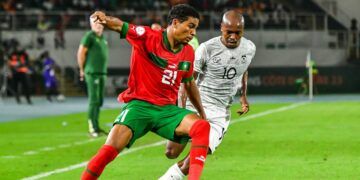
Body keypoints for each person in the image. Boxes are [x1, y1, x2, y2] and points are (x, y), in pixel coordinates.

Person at [81, 4, 210, 180]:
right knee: (108, 151)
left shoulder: (188, 52)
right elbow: (120, 25)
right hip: (140, 106)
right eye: (190, 26)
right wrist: (105, 19)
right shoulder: (148, 36)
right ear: (175, 23)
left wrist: (201, 113)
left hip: (167, 110)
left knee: (202, 127)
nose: (193, 32)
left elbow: (189, 84)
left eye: (195, 28)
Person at [159, 10, 256, 180]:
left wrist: (243, 96)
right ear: (221, 28)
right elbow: (186, 82)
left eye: (238, 33)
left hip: (220, 112)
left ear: (243, 31)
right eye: (229, 32)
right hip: (196, 105)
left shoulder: (249, 48)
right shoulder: (206, 49)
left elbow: (244, 70)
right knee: (171, 152)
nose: (233, 37)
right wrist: (180, 112)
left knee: (197, 156)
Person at [77, 16, 109, 138]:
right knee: (94, 100)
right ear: (91, 24)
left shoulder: (103, 38)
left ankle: (96, 125)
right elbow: (81, 52)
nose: (98, 24)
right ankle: (92, 127)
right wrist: (82, 69)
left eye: (100, 22)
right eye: (95, 22)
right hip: (92, 73)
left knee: (99, 101)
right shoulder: (89, 36)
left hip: (102, 73)